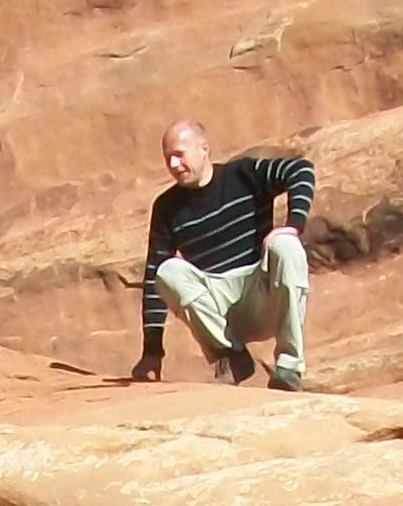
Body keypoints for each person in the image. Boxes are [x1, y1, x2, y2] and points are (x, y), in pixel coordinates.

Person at [128, 121, 313, 390]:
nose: (174, 164)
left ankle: (289, 368)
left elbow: (300, 169)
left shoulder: (242, 175)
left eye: (180, 154)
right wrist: (152, 350)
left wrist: (293, 224)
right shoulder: (167, 208)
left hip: (264, 295)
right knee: (167, 271)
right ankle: (231, 356)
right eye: (168, 158)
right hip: (220, 311)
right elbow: (154, 279)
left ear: (204, 149)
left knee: (287, 246)